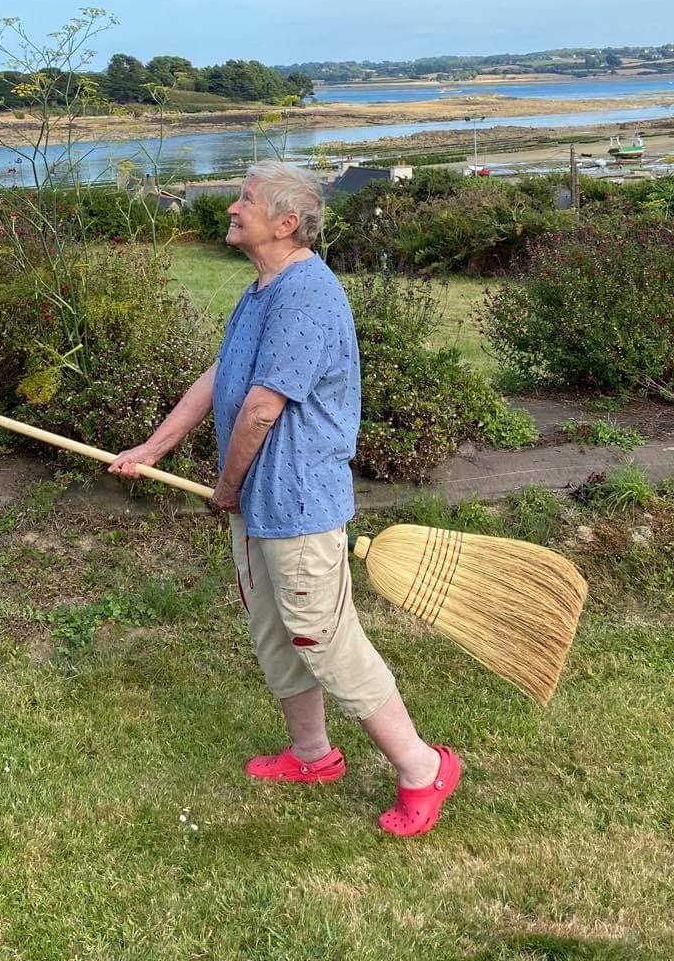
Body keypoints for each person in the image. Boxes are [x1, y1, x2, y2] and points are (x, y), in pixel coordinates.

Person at [109, 161, 460, 836]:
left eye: (245, 200)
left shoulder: (306, 296)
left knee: (325, 642)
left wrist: (225, 487)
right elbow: (225, 374)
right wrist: (154, 448)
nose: (233, 208)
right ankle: (312, 755)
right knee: (275, 635)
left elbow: (262, 409)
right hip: (256, 504)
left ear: (285, 222)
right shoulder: (261, 291)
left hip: (295, 503)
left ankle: (423, 767)